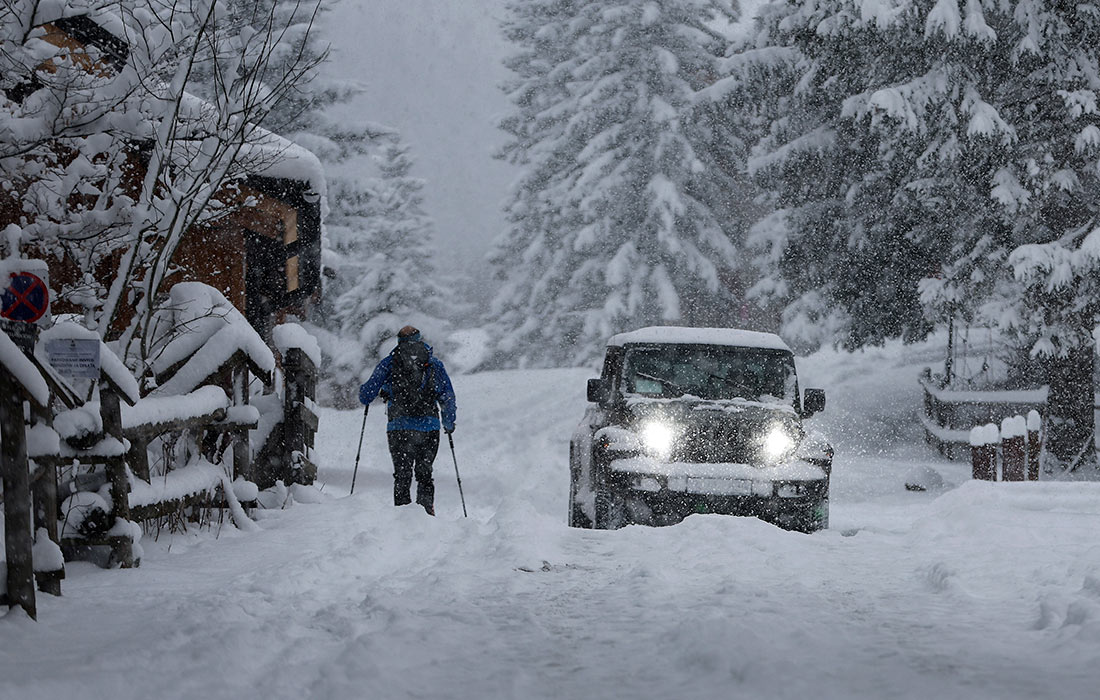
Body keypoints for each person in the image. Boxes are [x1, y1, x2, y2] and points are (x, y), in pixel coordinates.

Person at [359, 326, 457, 515]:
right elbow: (447, 397)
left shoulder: (389, 363)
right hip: (429, 428)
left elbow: (366, 395)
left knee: (402, 475)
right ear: (420, 339)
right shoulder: (434, 364)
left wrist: (378, 391)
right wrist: (449, 423)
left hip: (399, 428)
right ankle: (427, 513)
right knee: (425, 474)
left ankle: (402, 518)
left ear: (399, 342)